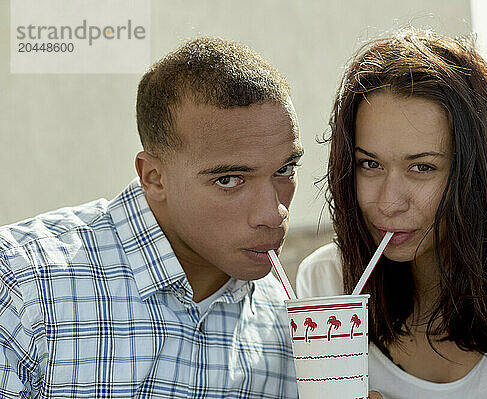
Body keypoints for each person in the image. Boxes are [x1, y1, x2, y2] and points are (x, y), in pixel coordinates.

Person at [297, 28, 487, 398]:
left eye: (422, 167)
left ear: (478, 175)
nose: (389, 202)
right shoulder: (327, 286)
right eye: (370, 164)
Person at [0, 37, 303, 398]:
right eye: (229, 180)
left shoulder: (285, 319)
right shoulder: (22, 285)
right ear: (153, 177)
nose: (274, 213)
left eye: (285, 170)